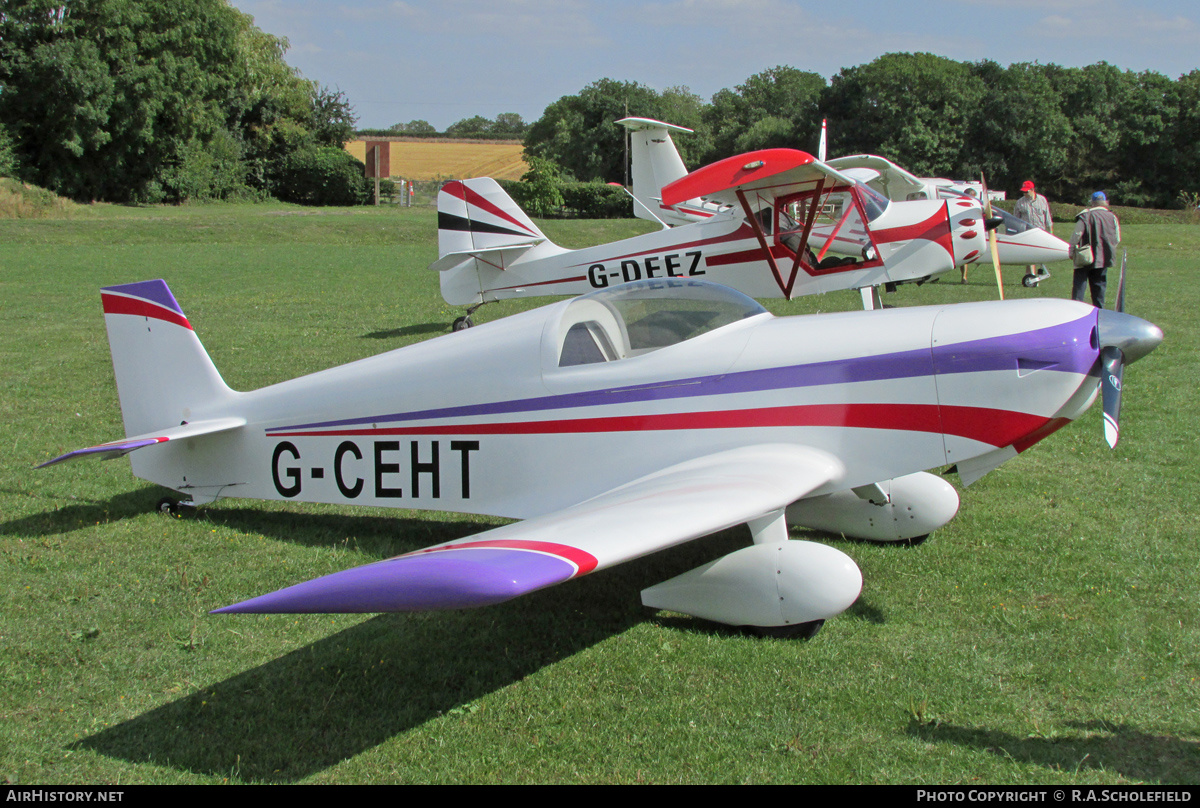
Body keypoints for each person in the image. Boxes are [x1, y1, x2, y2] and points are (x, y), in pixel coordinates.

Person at [1069, 191, 1121, 308]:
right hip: (1103, 257)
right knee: (1099, 286)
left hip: (1084, 256)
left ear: (1092, 203)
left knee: (1080, 285)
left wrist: (1071, 250)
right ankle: (1099, 311)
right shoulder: (1112, 217)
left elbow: (1077, 234)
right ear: (1105, 202)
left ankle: (1075, 309)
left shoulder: (1085, 216)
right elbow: (1117, 238)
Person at [1013, 180, 1054, 284]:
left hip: (1040, 231)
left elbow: (1047, 216)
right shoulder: (1020, 202)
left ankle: (1038, 273)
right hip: (1027, 232)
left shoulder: (1042, 200)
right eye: (1023, 192)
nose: (1025, 194)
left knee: (1040, 254)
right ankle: (1029, 275)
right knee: (1030, 254)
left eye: (1027, 191)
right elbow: (1015, 219)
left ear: (1032, 190)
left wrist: (1051, 231)